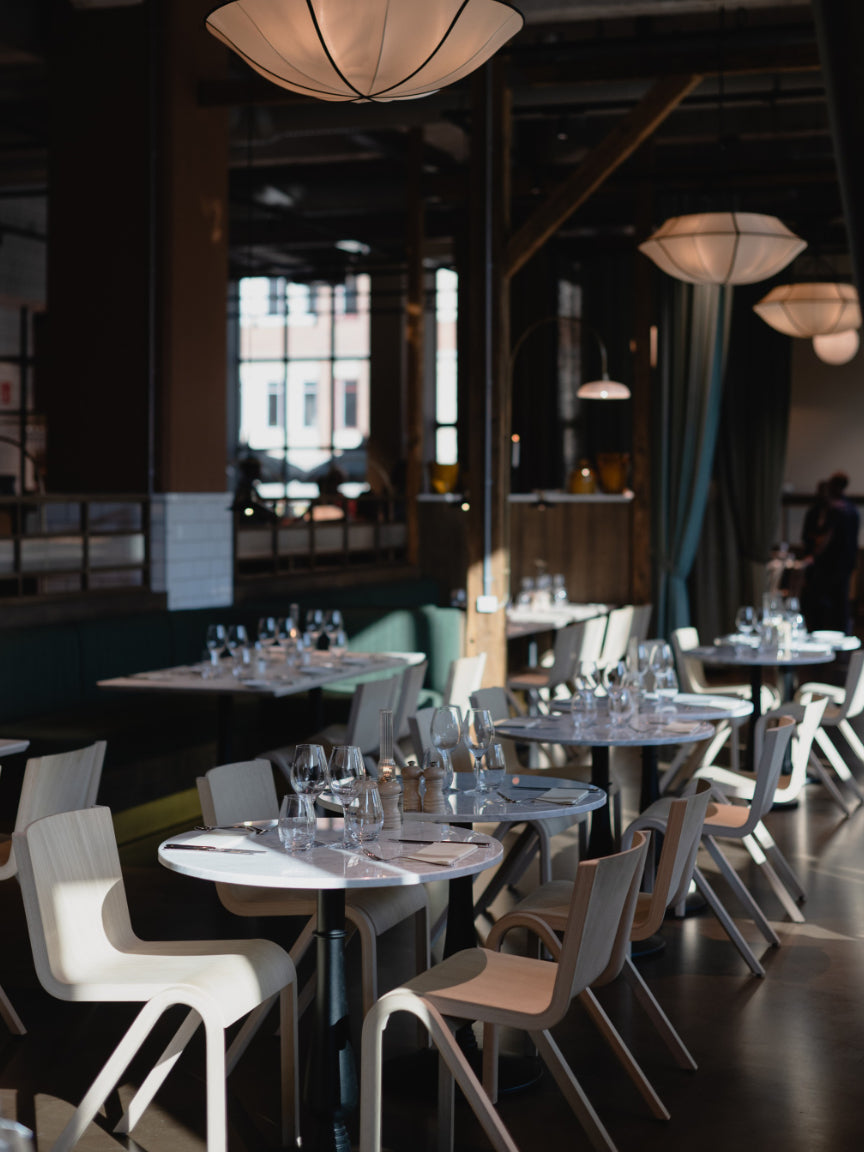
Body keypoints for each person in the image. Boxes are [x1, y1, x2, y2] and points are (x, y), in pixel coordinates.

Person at [800, 472, 860, 633]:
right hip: (841, 564)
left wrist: (813, 555)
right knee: (836, 605)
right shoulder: (848, 509)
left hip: (831, 565)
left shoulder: (840, 510)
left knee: (828, 606)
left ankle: (826, 638)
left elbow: (826, 538)